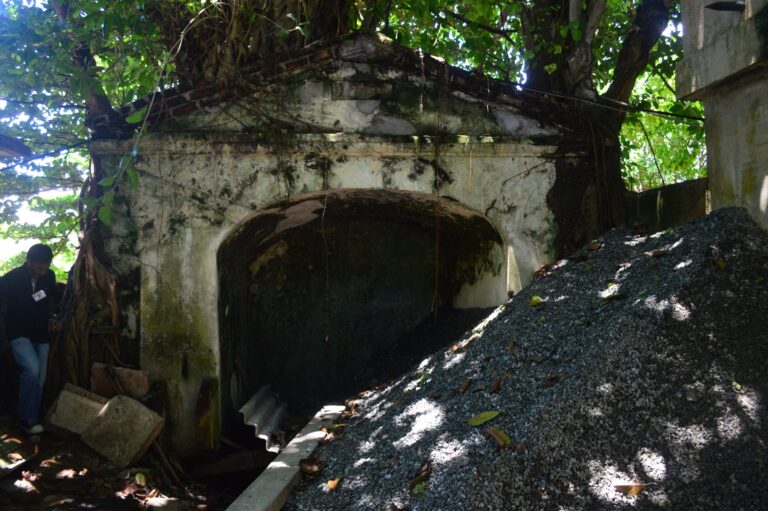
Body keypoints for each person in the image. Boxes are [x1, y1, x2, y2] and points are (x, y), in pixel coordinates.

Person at [0, 244, 61, 434]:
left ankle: (31, 419)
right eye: (38, 268)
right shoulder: (10, 279)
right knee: (32, 369)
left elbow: (49, 298)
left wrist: (52, 317)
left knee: (40, 379)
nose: (42, 272)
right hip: (18, 332)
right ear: (29, 261)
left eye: (45, 267)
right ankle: (26, 417)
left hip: (41, 332)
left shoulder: (49, 276)